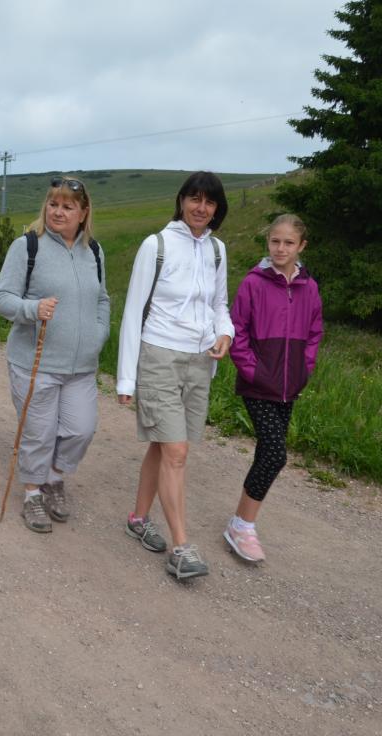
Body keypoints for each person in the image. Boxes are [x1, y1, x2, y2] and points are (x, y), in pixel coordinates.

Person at [116, 171, 233, 581]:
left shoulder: (217, 250)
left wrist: (225, 333)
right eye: (194, 199)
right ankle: (182, 547)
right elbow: (133, 311)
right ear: (181, 200)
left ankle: (138, 518)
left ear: (217, 209)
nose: (201, 208)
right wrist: (126, 379)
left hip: (200, 361)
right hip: (159, 356)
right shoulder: (157, 245)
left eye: (210, 202)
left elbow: (220, 304)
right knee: (177, 452)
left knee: (163, 448)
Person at [0, 177, 110, 532]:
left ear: (83, 212)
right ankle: (32, 494)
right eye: (53, 204)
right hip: (35, 361)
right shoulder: (27, 246)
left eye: (68, 206)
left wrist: (99, 333)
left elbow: (102, 298)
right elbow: (2, 299)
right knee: (38, 433)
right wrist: (32, 309)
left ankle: (54, 477)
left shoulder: (94, 251)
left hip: (81, 365)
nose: (58, 212)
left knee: (80, 430)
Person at [225, 214, 322, 562]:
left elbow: (314, 333)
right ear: (268, 243)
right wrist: (255, 372)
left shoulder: (308, 287)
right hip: (257, 385)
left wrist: (304, 369)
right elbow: (237, 332)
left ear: (301, 246)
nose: (280, 248)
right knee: (275, 454)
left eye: (288, 242)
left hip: (289, 386)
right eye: (275, 241)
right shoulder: (253, 283)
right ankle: (242, 525)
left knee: (268, 453)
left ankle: (241, 520)